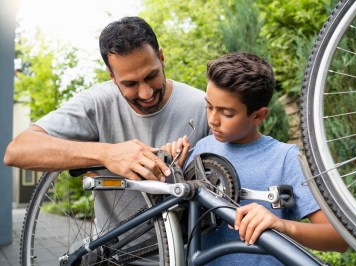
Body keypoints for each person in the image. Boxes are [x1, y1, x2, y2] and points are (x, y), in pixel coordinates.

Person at [4, 16, 209, 229]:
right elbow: (17, 151)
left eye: (152, 76)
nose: (146, 93)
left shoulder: (201, 105)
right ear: (111, 76)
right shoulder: (96, 103)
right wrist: (107, 154)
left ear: (162, 57)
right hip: (114, 254)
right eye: (129, 83)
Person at [178, 52, 348, 265]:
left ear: (258, 115)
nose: (213, 120)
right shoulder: (203, 147)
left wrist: (281, 225)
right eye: (209, 106)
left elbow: (338, 238)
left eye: (227, 113)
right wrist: (173, 170)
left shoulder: (287, 159)